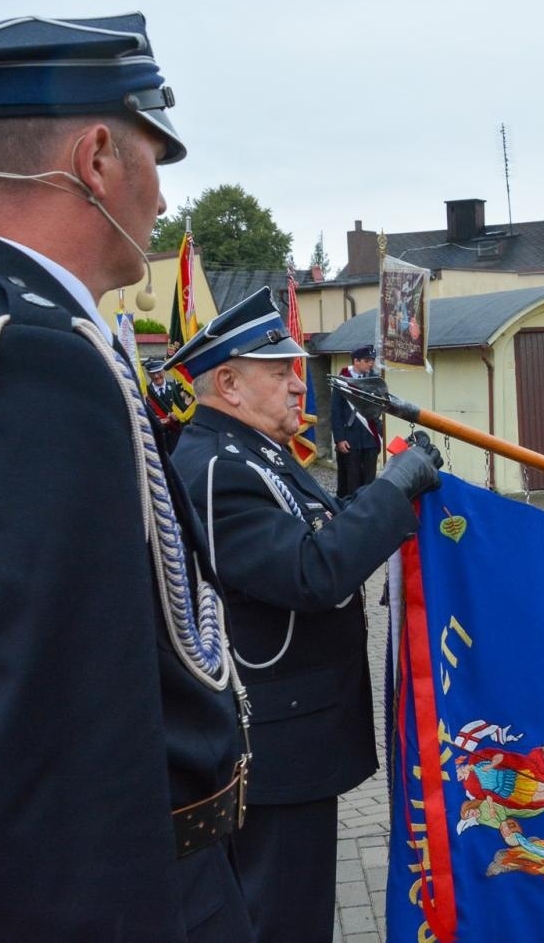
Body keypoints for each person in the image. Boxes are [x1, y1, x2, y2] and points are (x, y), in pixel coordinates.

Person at [0, 13, 254, 939]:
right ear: (99, 155)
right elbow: (66, 764)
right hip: (77, 901)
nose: (159, 196)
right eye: (156, 155)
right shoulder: (27, 361)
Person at [167, 288, 441, 941]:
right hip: (273, 747)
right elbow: (311, 570)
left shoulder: (252, 453)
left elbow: (316, 529)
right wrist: (392, 490)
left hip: (292, 741)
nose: (300, 387)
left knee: (292, 910)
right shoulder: (215, 466)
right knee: (282, 919)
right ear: (227, 383)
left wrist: (383, 502)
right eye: (281, 372)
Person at [330, 343, 383, 498]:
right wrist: (339, 439)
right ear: (356, 361)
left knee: (369, 480)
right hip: (350, 437)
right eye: (367, 360)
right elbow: (336, 411)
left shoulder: (375, 380)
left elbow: (380, 407)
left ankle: (368, 510)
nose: (371, 363)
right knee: (350, 480)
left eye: (372, 360)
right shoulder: (342, 380)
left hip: (369, 436)